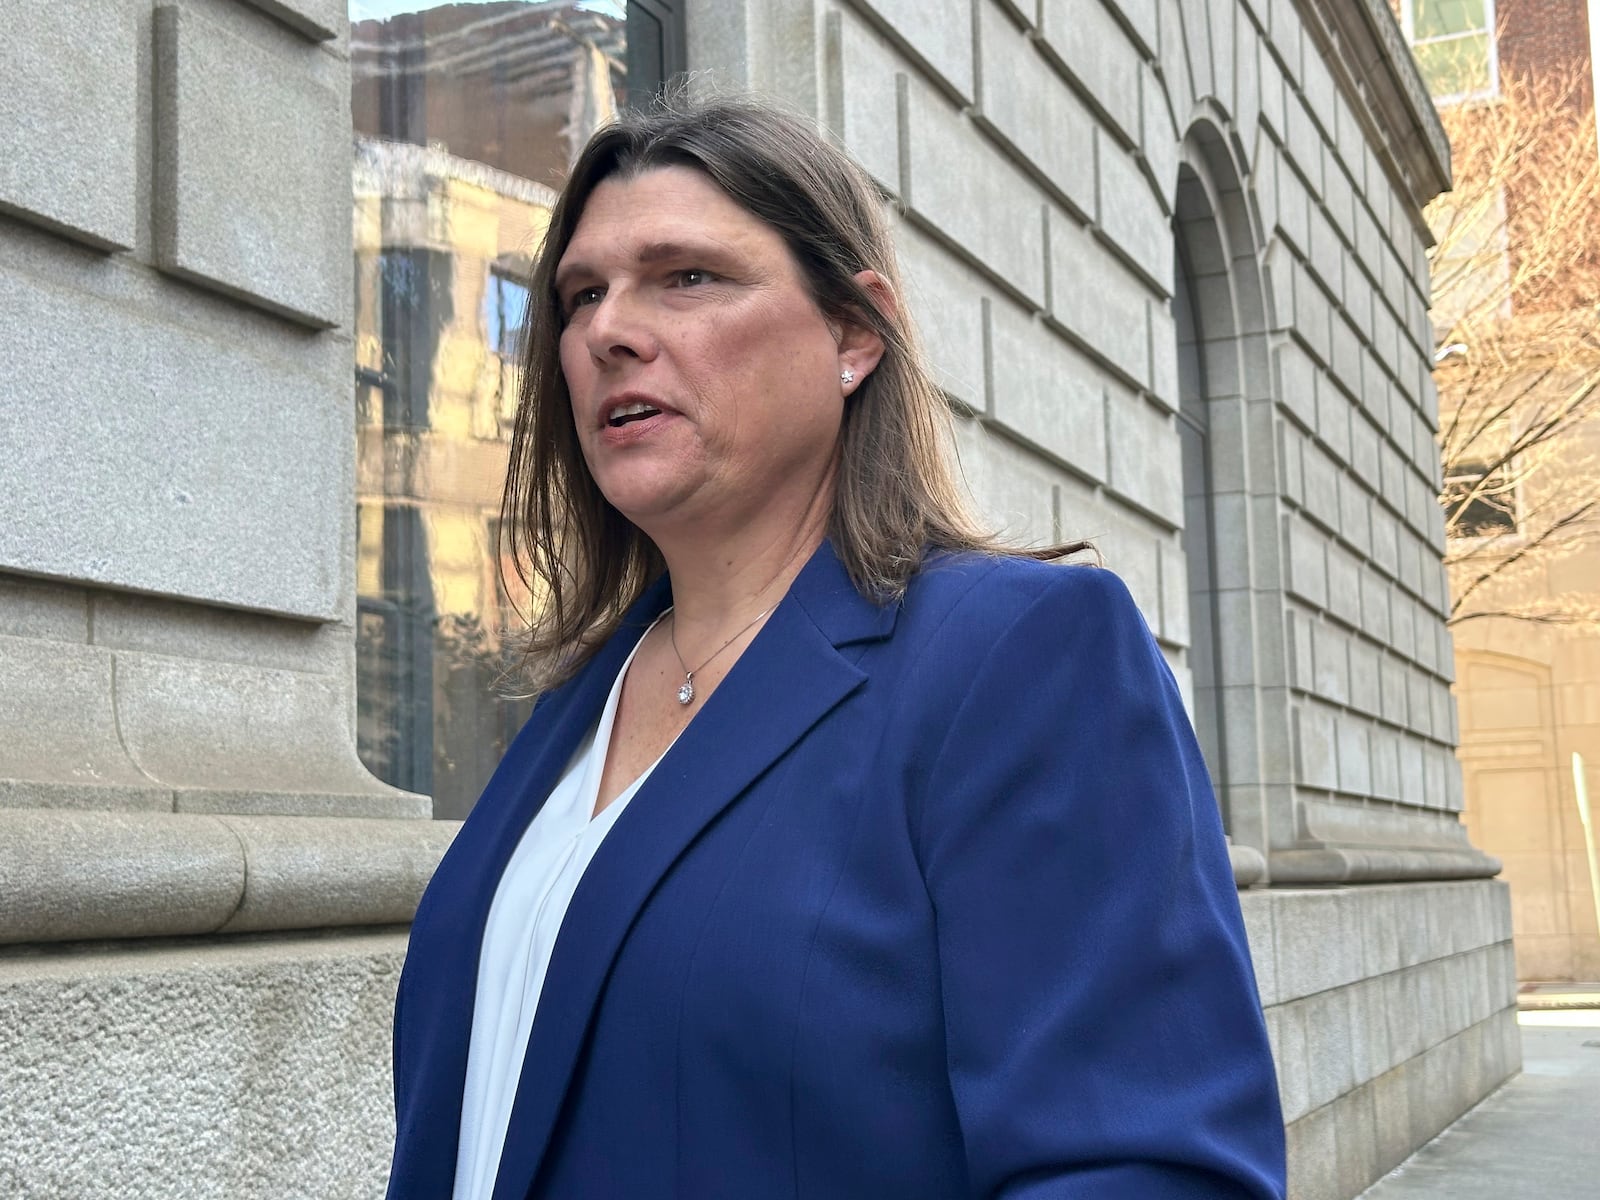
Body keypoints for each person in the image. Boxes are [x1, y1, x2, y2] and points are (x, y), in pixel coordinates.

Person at [385, 94, 1286, 1200]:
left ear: (855, 334)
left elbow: (1145, 1168)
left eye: (688, 277)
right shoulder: (582, 696)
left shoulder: (1019, 658)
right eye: (581, 293)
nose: (606, 329)